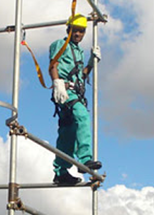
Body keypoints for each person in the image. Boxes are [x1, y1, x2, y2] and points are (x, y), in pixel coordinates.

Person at [49, 14, 102, 185]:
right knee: (82, 117)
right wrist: (57, 82)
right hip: (65, 91)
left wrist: (91, 62)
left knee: (68, 133)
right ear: (69, 29)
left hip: (76, 92)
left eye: (81, 31)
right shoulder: (61, 44)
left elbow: (82, 74)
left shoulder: (78, 51)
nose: (78, 34)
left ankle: (61, 171)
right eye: (75, 30)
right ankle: (85, 158)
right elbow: (53, 65)